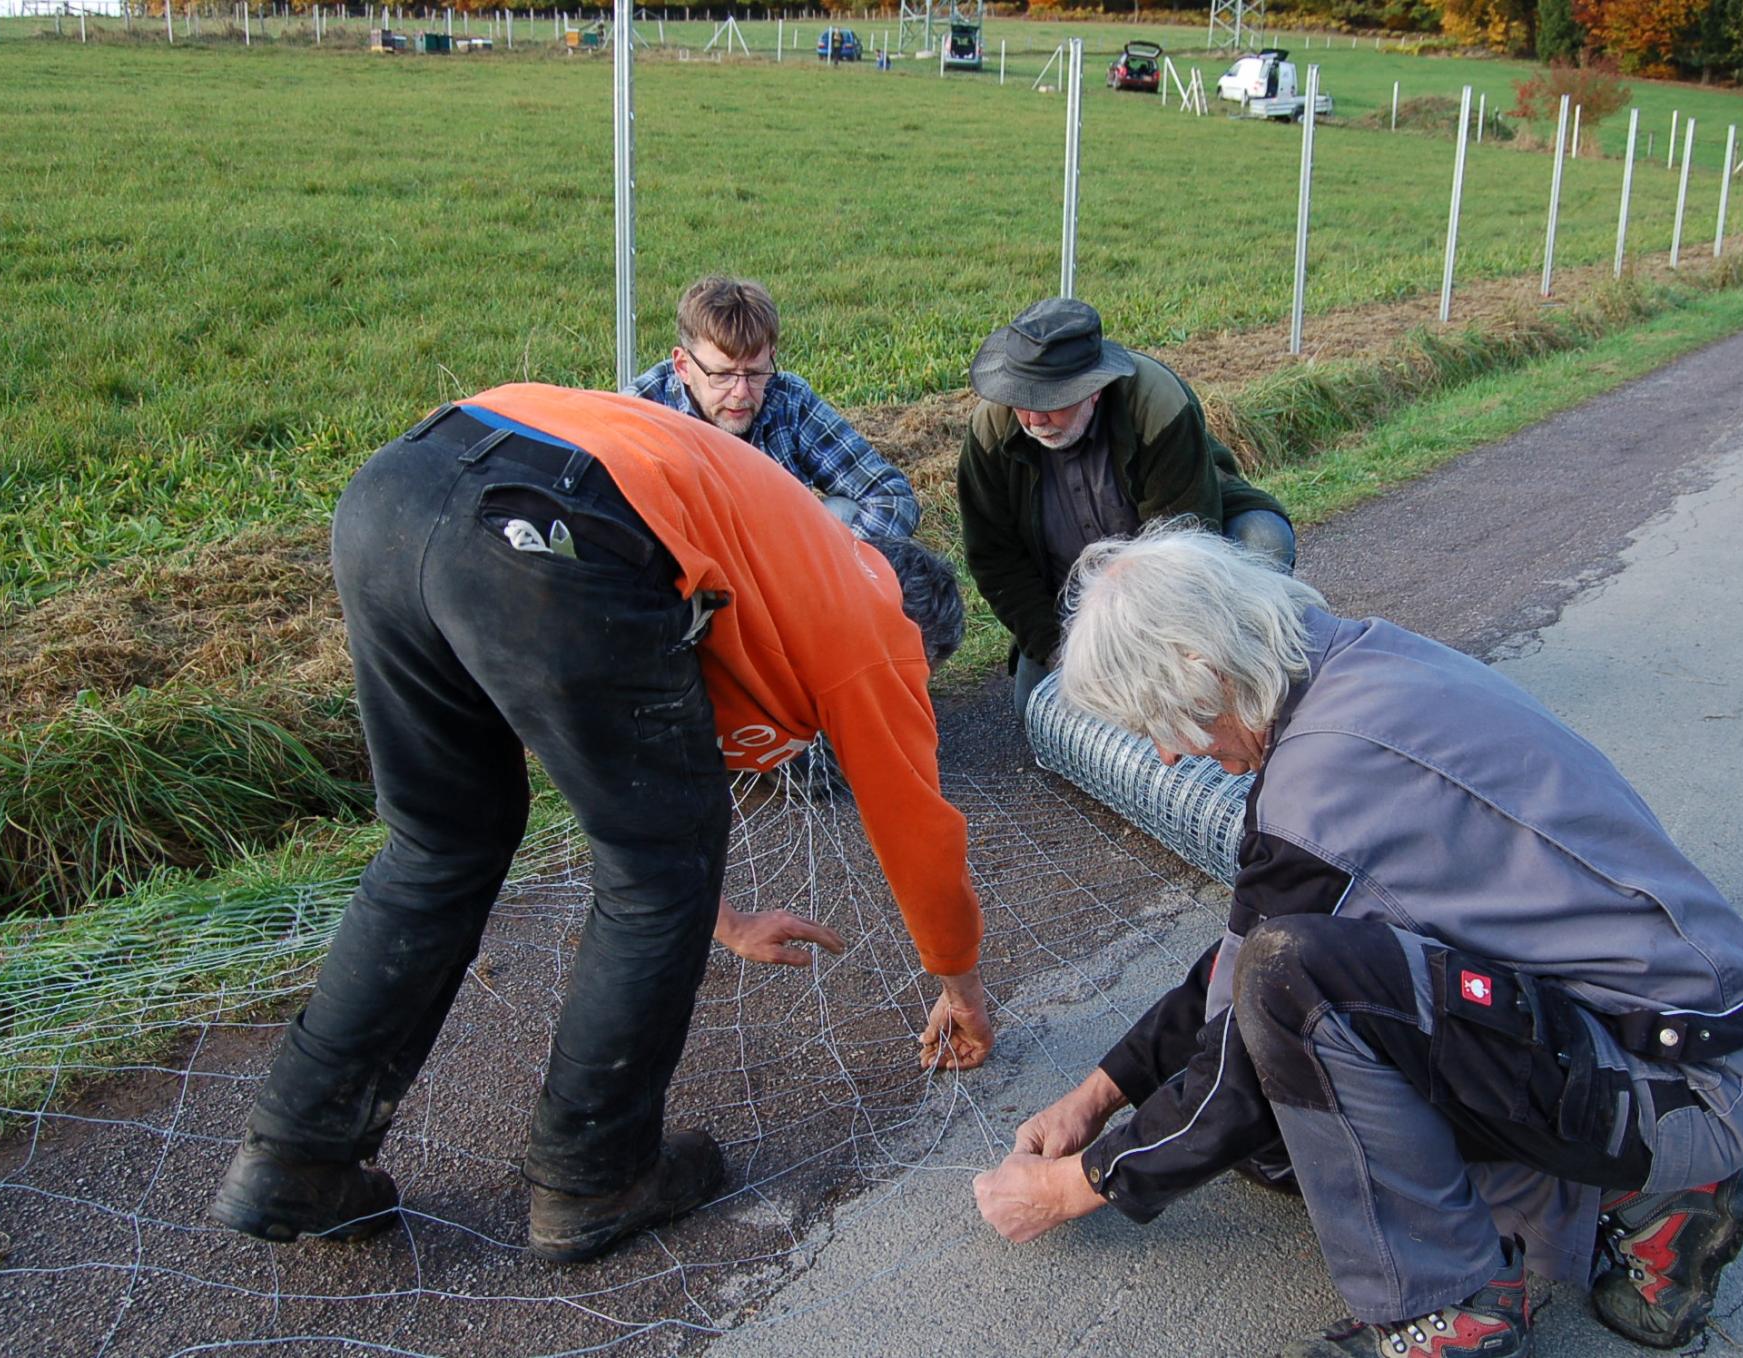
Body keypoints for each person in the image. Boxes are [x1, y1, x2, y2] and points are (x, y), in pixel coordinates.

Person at [210, 383, 991, 1265]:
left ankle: (296, 1158)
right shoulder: (877, 617)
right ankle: (595, 1175)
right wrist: (961, 992)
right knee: (653, 873)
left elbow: (621, 766)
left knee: (439, 845)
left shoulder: (776, 562)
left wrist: (719, 916)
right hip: (550, 523)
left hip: (399, 493)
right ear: (921, 643)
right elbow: (918, 834)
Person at [974, 525, 1743, 1358]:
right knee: (1280, 1074)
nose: (1172, 754)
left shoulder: (1325, 776)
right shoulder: (1344, 664)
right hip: (1659, 1043)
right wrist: (1101, 1093)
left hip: (1680, 1087)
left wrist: (1075, 1187)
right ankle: (1647, 1211)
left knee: (1286, 1047)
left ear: (1204, 674)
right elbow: (1238, 955)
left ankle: (1451, 1307)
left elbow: (1258, 1027)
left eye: (1165, 721)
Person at [955, 298, 1294, 721]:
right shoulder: (991, 432)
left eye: (1052, 400)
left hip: (1174, 569)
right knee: (1037, 710)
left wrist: (1151, 658)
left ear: (1093, 389)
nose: (1034, 417)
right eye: (1022, 397)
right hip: (1070, 598)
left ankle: (1252, 675)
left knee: (1264, 539)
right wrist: (1058, 649)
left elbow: (1184, 544)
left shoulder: (1156, 402)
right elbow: (995, 559)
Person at [630, 275, 917, 542]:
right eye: (723, 375)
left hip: (780, 568)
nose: (741, 393)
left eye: (755, 373)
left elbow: (891, 495)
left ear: (771, 358)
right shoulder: (639, 412)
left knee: (844, 513)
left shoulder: (789, 400)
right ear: (683, 366)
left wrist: (840, 573)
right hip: (682, 571)